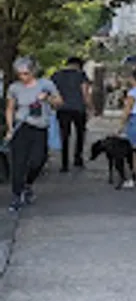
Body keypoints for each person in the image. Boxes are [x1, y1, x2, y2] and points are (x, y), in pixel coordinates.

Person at [5, 57, 63, 210]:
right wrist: (10, 128)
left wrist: (48, 98)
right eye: (20, 74)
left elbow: (59, 102)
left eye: (26, 74)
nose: (23, 77)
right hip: (21, 126)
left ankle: (28, 184)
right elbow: (10, 108)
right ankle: (17, 195)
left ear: (33, 72)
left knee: (38, 160)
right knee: (18, 163)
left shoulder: (46, 85)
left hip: (40, 127)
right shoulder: (14, 88)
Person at [51, 56, 91, 172]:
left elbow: (52, 93)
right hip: (79, 108)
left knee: (64, 136)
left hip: (63, 108)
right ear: (78, 65)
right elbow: (85, 93)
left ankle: (64, 164)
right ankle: (78, 158)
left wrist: (54, 105)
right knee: (80, 134)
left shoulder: (56, 75)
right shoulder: (81, 75)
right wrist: (90, 107)